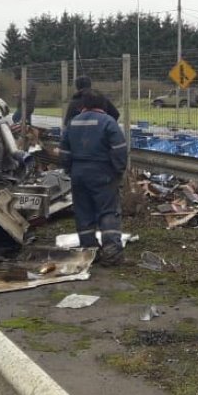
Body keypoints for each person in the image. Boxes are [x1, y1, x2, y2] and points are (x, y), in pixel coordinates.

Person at [59, 89, 128, 266]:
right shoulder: (108, 122)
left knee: (83, 212)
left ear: (83, 105)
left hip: (78, 173)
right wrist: (118, 170)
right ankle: (112, 253)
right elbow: (119, 149)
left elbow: (64, 152)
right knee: (108, 211)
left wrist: (69, 170)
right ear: (103, 104)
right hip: (103, 173)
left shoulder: (73, 123)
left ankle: (89, 251)